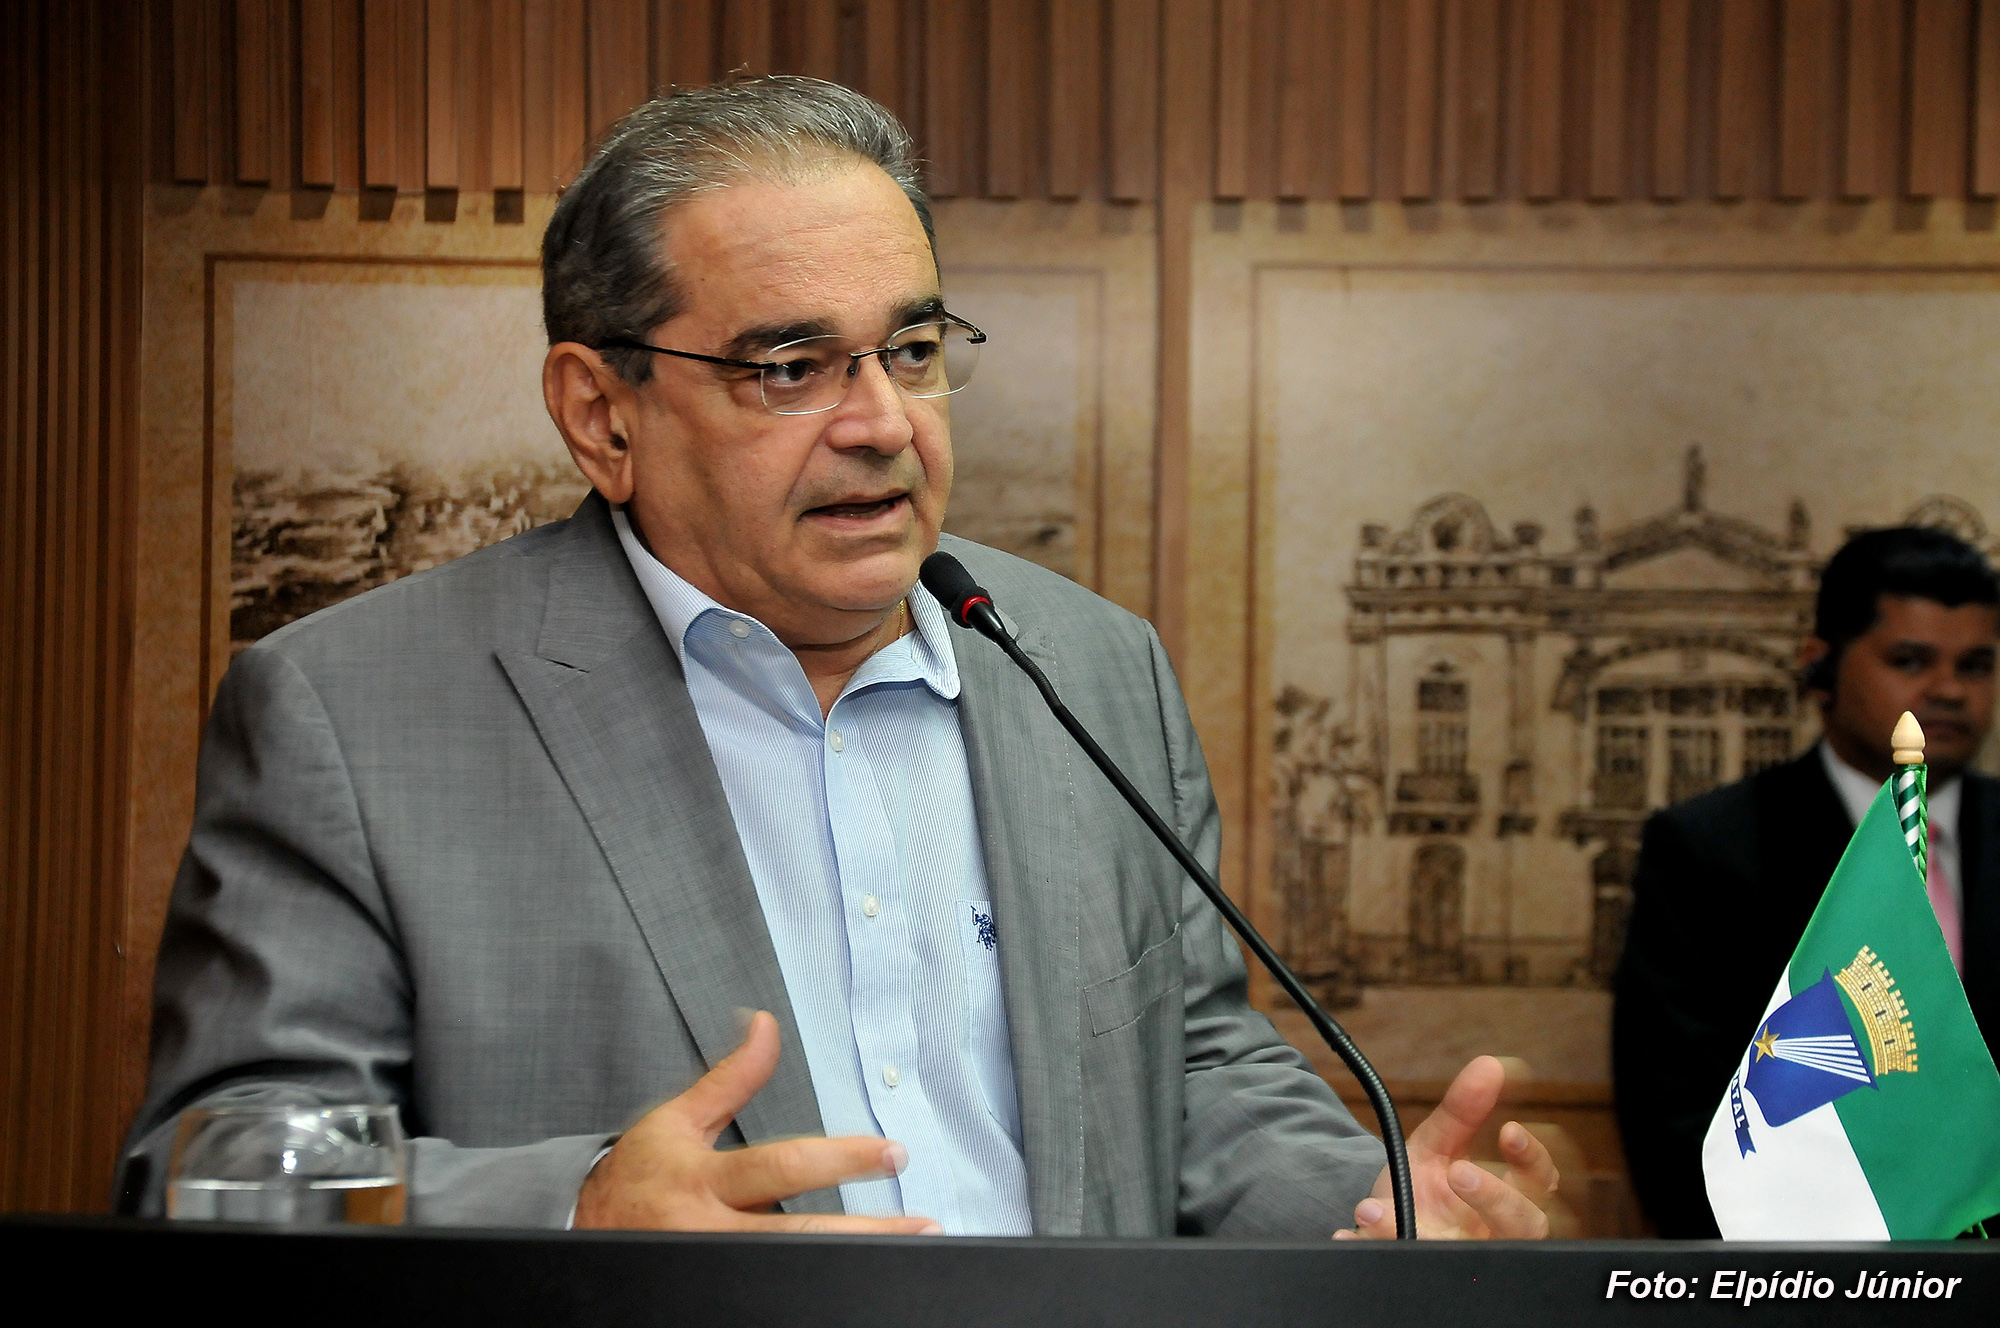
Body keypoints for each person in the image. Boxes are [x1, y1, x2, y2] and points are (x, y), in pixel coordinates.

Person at [120, 77, 1555, 1240]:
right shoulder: (352, 715)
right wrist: (571, 1210)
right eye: (790, 368)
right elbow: (214, 1166)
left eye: (911, 348)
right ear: (602, 415)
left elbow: (1187, 1066)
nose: (881, 423)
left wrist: (1369, 1203)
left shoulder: (1086, 662)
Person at [1615, 525, 2000, 1237]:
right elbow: (1674, 1117)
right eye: (1910, 660)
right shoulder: (1709, 848)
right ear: (1819, 667)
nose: (1949, 690)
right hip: (1796, 1272)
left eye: (1975, 665)